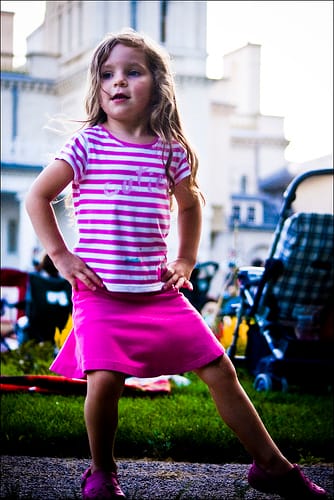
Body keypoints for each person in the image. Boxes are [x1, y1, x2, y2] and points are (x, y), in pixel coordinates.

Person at [25, 29, 327, 500]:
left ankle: (271, 465)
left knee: (220, 369)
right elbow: (38, 197)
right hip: (101, 296)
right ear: (97, 88)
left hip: (158, 294)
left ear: (158, 85)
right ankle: (101, 472)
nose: (117, 82)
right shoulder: (86, 146)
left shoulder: (170, 150)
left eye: (132, 72)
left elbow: (189, 206)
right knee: (104, 381)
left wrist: (185, 258)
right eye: (107, 75)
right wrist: (61, 256)